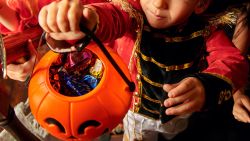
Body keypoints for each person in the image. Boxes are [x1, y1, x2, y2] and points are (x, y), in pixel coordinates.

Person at [38, 0, 248, 140]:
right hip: (133, 106)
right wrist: (83, 21)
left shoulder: (207, 31)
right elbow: (111, 17)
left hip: (178, 115)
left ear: (200, 3)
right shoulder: (132, 13)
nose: (158, 3)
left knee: (173, 133)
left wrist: (207, 86)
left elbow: (233, 61)